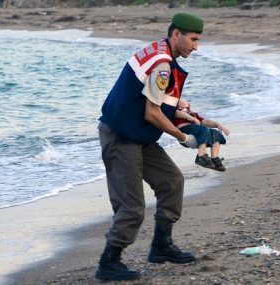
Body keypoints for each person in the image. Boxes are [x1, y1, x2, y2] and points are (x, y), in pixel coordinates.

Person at [95, 12, 204, 281]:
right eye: (193, 39)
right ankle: (109, 262)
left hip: (138, 135)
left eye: (198, 40)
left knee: (172, 181)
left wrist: (182, 109)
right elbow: (152, 113)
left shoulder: (160, 52)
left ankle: (161, 246)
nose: (196, 46)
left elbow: (157, 98)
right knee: (131, 207)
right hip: (120, 136)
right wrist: (183, 137)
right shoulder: (163, 64)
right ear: (176, 34)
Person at [174, 98, 230, 171]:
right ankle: (201, 156)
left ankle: (214, 158)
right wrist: (189, 117)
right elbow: (175, 113)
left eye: (186, 107)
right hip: (185, 132)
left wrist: (218, 125)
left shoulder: (193, 114)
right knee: (203, 129)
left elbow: (205, 121)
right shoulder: (175, 113)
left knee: (215, 133)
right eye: (180, 107)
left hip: (198, 132)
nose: (183, 108)